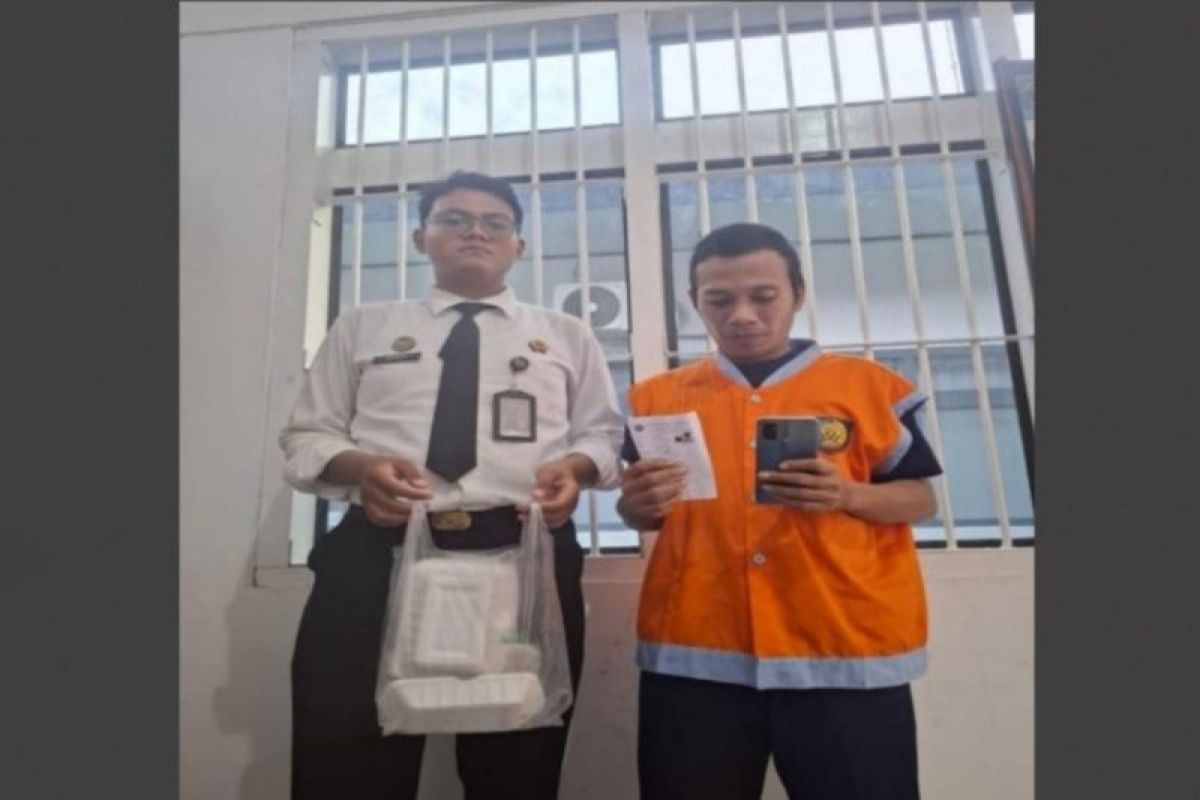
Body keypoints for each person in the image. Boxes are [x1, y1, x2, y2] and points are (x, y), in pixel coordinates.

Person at [279, 170, 623, 800]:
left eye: (495, 223)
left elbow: (603, 436)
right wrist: (360, 469)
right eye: (454, 219)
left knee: (518, 759)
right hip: (379, 547)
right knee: (346, 753)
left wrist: (574, 472)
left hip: (523, 550)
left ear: (519, 245)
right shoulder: (364, 326)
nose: (476, 233)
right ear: (421, 237)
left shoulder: (566, 335)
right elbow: (306, 437)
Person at [618, 222, 942, 800]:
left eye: (763, 296)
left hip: (843, 648)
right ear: (695, 302)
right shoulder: (655, 399)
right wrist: (634, 507)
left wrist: (849, 495)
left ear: (798, 292)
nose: (742, 315)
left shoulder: (873, 389)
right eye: (720, 300)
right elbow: (644, 513)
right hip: (697, 652)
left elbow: (921, 498)